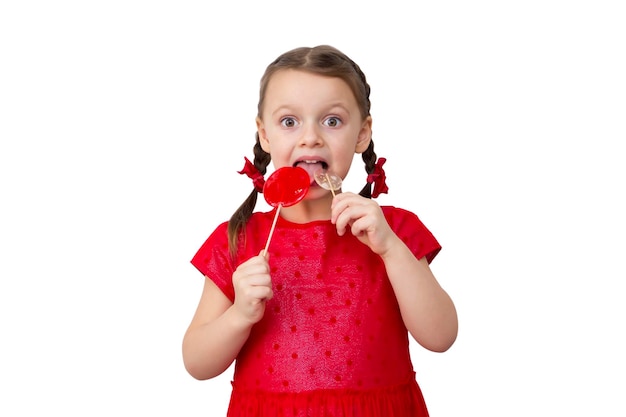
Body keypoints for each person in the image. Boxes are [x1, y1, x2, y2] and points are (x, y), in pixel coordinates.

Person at [182, 44, 458, 416]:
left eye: (332, 121)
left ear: (362, 133)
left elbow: (441, 337)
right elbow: (197, 363)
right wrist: (239, 316)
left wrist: (391, 249)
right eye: (289, 122)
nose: (310, 138)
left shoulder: (393, 231)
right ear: (264, 135)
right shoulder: (239, 238)